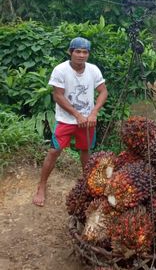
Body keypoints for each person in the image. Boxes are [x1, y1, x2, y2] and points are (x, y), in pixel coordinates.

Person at [32, 37, 108, 207]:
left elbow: (103, 92)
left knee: (85, 151)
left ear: (88, 54)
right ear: (70, 52)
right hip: (66, 120)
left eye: (85, 52)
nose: (81, 55)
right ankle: (41, 186)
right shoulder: (60, 70)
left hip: (87, 120)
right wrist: (76, 115)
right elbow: (57, 95)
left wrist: (94, 112)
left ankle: (87, 185)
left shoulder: (93, 70)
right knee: (54, 151)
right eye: (78, 51)